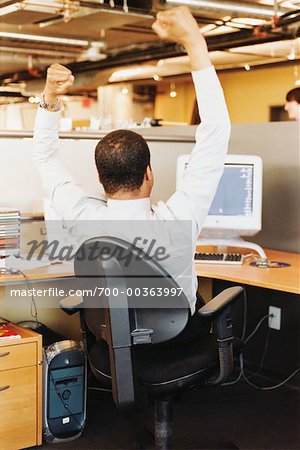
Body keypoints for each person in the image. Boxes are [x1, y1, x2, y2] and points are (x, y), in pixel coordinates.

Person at [33, 6, 230, 341]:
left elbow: (45, 157)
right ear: (149, 174)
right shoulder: (178, 221)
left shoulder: (80, 216)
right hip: (177, 340)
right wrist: (195, 45)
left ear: (100, 179)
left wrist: (50, 98)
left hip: (111, 341)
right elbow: (216, 131)